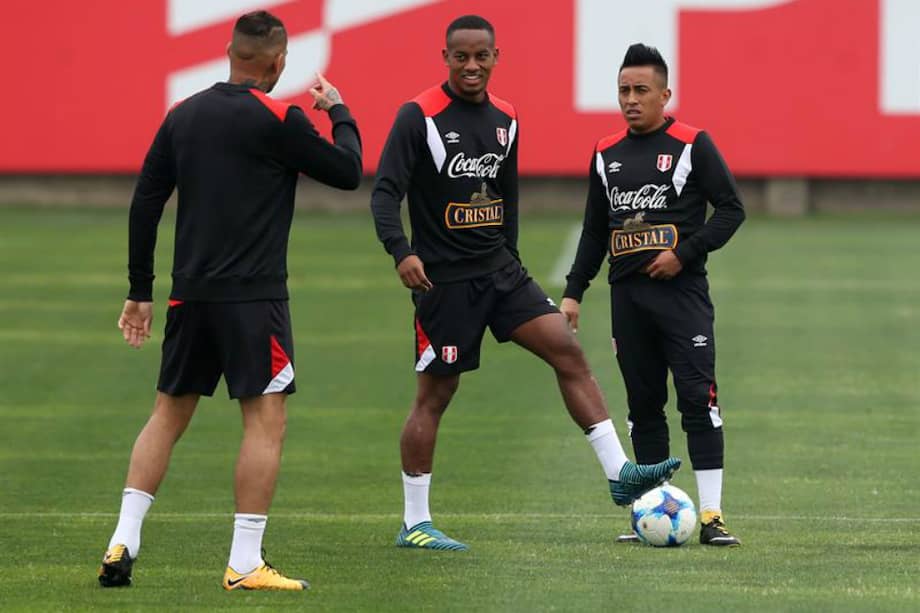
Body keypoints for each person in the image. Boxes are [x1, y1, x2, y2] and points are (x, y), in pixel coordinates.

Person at [370, 15, 680, 551]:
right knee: (435, 396)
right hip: (444, 284)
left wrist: (510, 257)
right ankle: (414, 522)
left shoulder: (506, 118)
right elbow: (383, 194)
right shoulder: (417, 116)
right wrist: (402, 252)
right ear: (445, 57)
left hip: (501, 274)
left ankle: (618, 472)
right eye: (461, 57)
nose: (471, 66)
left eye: (481, 57)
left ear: (496, 57)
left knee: (567, 351)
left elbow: (507, 195)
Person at [97, 10, 362, 590]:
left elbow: (145, 201)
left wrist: (140, 290)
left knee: (167, 414)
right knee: (266, 420)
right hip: (253, 300)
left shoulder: (182, 115)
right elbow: (348, 172)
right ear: (278, 62)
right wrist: (338, 110)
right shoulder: (280, 118)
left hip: (188, 297)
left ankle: (124, 536)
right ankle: (244, 562)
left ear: (228, 51)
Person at [561, 43, 745, 546]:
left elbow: (731, 209)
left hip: (683, 299)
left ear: (666, 94)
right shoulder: (605, 152)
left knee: (697, 400)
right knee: (643, 405)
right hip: (629, 301)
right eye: (623, 90)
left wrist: (684, 253)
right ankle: (653, 511)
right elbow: (595, 231)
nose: (631, 99)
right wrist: (574, 291)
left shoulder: (692, 144)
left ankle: (711, 516)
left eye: (642, 90)